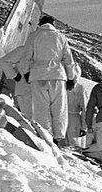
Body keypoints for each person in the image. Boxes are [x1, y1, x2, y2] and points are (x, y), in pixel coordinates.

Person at [17, 14, 77, 145]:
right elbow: (68, 60)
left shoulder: (33, 36)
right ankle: (59, 138)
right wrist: (71, 78)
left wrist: (26, 73)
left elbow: (26, 57)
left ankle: (46, 137)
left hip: (38, 76)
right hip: (57, 75)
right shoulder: (61, 37)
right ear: (53, 24)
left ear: (40, 23)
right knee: (59, 108)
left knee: (41, 109)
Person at [65, 68, 88, 149]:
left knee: (75, 147)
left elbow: (85, 109)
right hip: (62, 118)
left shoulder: (80, 89)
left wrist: (84, 127)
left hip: (74, 120)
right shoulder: (62, 86)